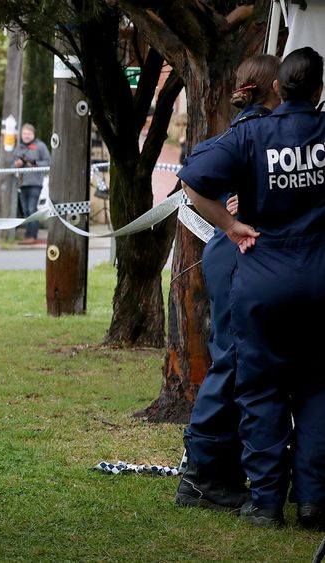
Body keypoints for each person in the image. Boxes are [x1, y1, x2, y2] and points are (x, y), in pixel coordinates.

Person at [179, 46, 325, 529]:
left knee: (259, 389)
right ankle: (312, 501)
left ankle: (265, 503)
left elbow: (192, 179)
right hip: (319, 274)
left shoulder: (252, 135)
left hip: (261, 276)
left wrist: (230, 225)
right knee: (315, 390)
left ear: (280, 89)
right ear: (320, 90)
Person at [175, 54, 281, 514]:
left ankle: (223, 469)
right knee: (231, 363)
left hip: (235, 256)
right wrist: (230, 220)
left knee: (236, 361)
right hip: (238, 256)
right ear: (275, 88)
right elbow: (191, 181)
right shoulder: (249, 134)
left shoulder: (247, 132)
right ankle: (201, 477)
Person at [12, 123, 50, 242]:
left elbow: (49, 162)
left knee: (32, 209)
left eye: (29, 133)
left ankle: (33, 236)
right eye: (24, 134)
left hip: (35, 183)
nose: (27, 136)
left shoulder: (40, 146)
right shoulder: (18, 148)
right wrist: (16, 164)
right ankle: (28, 235)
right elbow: (11, 164)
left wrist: (35, 163)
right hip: (23, 184)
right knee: (25, 211)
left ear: (33, 134)